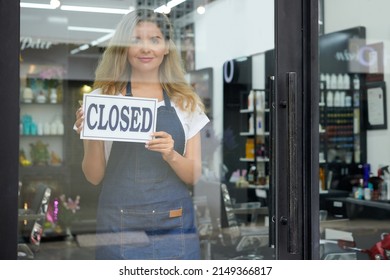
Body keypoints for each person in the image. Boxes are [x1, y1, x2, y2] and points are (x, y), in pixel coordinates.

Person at [74, 9, 209, 260]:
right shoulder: (102, 100)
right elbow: (94, 177)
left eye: (155, 40)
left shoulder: (187, 102)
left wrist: (171, 154)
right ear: (123, 47)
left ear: (167, 47)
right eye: (136, 40)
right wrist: (91, 133)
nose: (145, 48)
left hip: (174, 223)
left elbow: (193, 176)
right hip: (119, 224)